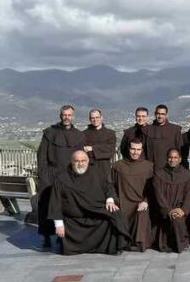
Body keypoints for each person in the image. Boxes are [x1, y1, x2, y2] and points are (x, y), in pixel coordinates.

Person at [48, 150, 128, 255]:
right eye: (77, 161)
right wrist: (58, 224)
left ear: (88, 161)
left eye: (83, 161)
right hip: (74, 219)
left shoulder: (97, 173)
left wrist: (110, 200)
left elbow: (108, 187)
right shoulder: (62, 178)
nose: (80, 164)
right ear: (72, 162)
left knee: (115, 214)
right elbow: (55, 201)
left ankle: (112, 247)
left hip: (95, 211)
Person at [36, 105, 86, 247]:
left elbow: (81, 158)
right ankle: (46, 235)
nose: (67, 117)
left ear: (73, 117)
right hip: (50, 175)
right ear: (60, 115)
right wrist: (43, 174)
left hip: (69, 175)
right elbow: (42, 156)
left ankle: (64, 236)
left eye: (69, 115)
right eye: (64, 115)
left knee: (67, 205)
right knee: (46, 204)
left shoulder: (79, 135)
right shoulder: (49, 133)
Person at [111, 139, 154, 251]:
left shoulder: (149, 166)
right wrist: (113, 201)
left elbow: (152, 189)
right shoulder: (117, 166)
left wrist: (146, 201)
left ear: (142, 150)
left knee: (142, 213)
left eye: (138, 149)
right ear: (128, 149)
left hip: (140, 203)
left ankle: (139, 243)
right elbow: (111, 186)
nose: (135, 152)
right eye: (133, 149)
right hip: (122, 203)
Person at [151, 148, 190, 252]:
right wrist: (168, 210)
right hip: (164, 211)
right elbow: (159, 195)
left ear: (180, 159)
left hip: (180, 209)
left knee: (177, 220)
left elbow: (189, 195)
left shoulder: (187, 174)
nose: (172, 160)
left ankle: (181, 243)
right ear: (167, 159)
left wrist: (183, 210)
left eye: (175, 157)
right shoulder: (158, 174)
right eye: (170, 157)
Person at [146, 104, 183, 171]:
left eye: (163, 114)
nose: (160, 116)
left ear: (166, 115)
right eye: (158, 113)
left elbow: (180, 150)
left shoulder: (175, 130)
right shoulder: (148, 130)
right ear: (155, 114)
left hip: (170, 168)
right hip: (152, 168)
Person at [83, 108, 117, 174]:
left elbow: (110, 151)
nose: (95, 120)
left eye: (97, 117)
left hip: (105, 169)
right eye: (92, 118)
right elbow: (83, 151)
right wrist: (102, 149)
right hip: (89, 168)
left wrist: (92, 148)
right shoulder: (83, 134)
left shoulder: (110, 134)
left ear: (101, 118)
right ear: (90, 119)